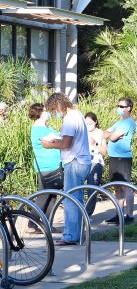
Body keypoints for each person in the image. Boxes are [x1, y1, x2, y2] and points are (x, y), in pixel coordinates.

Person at [41, 93, 91, 246]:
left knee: (70, 200)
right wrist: (58, 141)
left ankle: (70, 236)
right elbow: (68, 141)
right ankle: (77, 234)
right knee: (77, 199)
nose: (54, 113)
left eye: (53, 109)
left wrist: (50, 144)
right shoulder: (78, 115)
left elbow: (66, 144)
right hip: (81, 160)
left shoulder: (69, 119)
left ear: (58, 105)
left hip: (74, 162)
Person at [28, 103, 62, 233]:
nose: (48, 113)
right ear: (40, 113)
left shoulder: (45, 127)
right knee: (43, 196)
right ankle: (32, 224)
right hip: (47, 166)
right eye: (46, 110)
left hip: (53, 166)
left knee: (52, 196)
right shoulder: (39, 129)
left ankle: (47, 223)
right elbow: (58, 138)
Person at [103, 98, 137, 225]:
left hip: (123, 157)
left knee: (125, 186)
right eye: (118, 106)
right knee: (117, 187)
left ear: (128, 108)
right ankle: (119, 213)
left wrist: (112, 135)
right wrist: (111, 134)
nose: (119, 108)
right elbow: (104, 134)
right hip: (114, 157)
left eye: (122, 106)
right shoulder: (119, 122)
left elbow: (112, 136)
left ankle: (130, 215)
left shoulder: (129, 123)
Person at [84, 112, 107, 219]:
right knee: (78, 188)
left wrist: (94, 144)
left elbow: (104, 151)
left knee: (92, 188)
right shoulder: (82, 132)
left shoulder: (100, 133)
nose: (88, 125)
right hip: (83, 161)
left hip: (96, 162)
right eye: (86, 123)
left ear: (95, 122)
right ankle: (79, 212)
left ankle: (88, 214)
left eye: (90, 123)